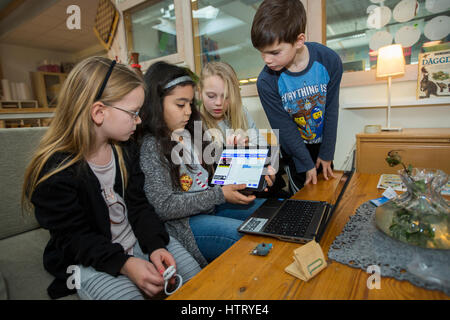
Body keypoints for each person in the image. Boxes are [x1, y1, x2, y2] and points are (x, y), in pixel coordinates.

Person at [21, 57, 200, 300]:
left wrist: (156, 245)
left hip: (136, 240)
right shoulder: (54, 171)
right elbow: (75, 239)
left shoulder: (125, 149)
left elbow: (139, 205)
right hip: (91, 257)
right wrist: (125, 264)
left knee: (197, 283)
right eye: (134, 113)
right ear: (99, 112)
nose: (139, 121)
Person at [137, 61, 271, 266]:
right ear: (157, 103)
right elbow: (163, 206)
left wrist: (237, 158)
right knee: (248, 242)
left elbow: (217, 173)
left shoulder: (192, 132)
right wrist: (219, 195)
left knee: (272, 213)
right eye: (181, 105)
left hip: (211, 207)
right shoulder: (151, 147)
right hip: (186, 224)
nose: (189, 111)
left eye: (191, 104)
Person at [251, 0, 343, 194]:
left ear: (299, 40)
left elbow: (331, 111)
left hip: (322, 146)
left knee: (327, 196)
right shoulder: (266, 82)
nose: (267, 60)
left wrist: (327, 154)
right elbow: (285, 128)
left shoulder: (329, 61)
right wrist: (305, 163)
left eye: (275, 52)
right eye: (262, 53)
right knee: (303, 203)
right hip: (295, 152)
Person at [199, 61, 287, 197]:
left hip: (253, 190)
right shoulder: (196, 125)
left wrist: (269, 172)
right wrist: (229, 156)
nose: (218, 103)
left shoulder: (241, 113)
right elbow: (206, 185)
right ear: (199, 93)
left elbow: (266, 156)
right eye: (211, 96)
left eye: (226, 96)